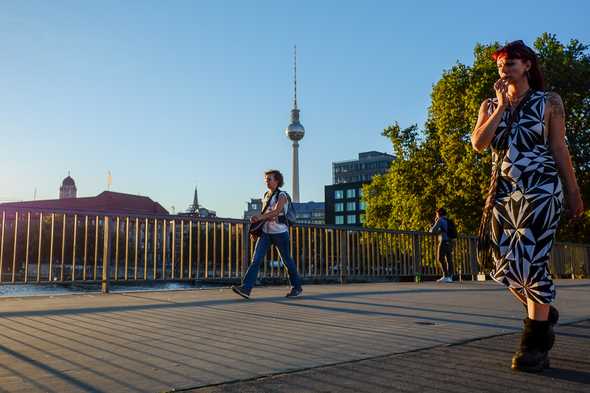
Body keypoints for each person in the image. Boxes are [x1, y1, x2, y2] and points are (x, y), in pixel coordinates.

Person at [471, 40, 584, 372]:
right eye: (500, 64)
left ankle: (534, 346)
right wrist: (502, 108)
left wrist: (573, 191)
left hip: (542, 190)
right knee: (500, 264)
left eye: (511, 62)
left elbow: (559, 147)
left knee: (531, 261)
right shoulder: (489, 105)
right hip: (504, 194)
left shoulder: (549, 102)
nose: (504, 67)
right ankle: (544, 311)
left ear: (528, 66)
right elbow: (479, 144)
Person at [232, 169, 303, 299]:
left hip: (280, 233)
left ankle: (297, 287)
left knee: (287, 260)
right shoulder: (266, 195)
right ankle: (246, 289)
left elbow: (276, 212)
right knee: (256, 260)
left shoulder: (282, 195)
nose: (267, 182)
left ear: (277, 181)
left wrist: (259, 217)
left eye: (269, 179)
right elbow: (265, 214)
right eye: (266, 180)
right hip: (266, 233)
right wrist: (256, 228)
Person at [430, 208, 454, 283]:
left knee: (440, 258)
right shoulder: (449, 220)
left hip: (443, 242)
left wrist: (435, 222)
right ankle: (450, 277)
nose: (436, 215)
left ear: (439, 214)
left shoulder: (440, 220)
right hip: (450, 242)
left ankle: (445, 276)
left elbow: (432, 231)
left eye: (436, 214)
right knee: (449, 259)